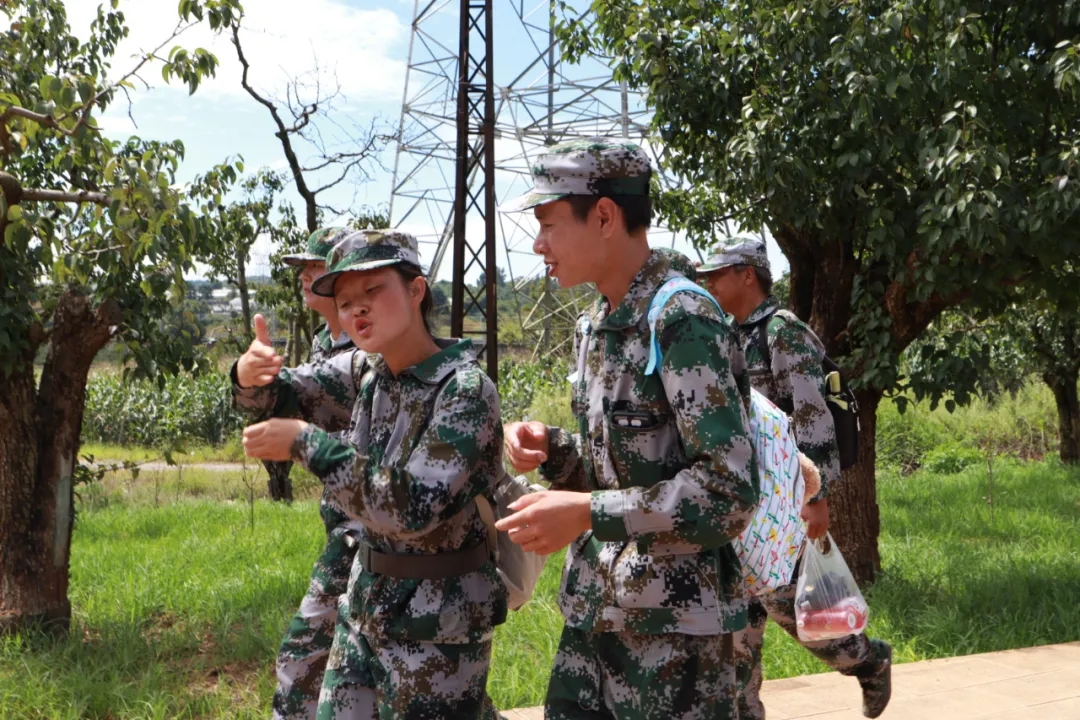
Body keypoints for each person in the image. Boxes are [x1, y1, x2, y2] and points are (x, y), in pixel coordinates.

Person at [497, 138, 759, 719]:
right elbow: (618, 467)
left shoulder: (682, 319)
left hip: (675, 640)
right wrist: (554, 449)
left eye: (548, 224)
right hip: (595, 618)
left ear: (605, 216)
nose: (538, 245)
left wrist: (588, 514)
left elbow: (728, 492)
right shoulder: (597, 322)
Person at [237, 229, 508, 720]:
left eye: (373, 290)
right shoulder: (369, 372)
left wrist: (308, 444)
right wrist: (248, 374)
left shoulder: (465, 391)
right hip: (364, 608)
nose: (357, 309)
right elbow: (285, 393)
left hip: (437, 625)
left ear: (416, 289)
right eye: (344, 302)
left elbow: (413, 506)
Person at [696, 235, 892, 719]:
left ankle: (868, 660)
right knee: (736, 635)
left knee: (804, 616)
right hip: (743, 508)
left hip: (784, 508)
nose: (709, 284)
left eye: (717, 274)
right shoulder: (728, 334)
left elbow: (813, 418)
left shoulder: (783, 332)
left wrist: (815, 497)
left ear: (747, 275)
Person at [234, 226, 358, 720]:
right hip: (349, 524)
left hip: (374, 529)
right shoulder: (328, 342)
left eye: (316, 266)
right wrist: (248, 376)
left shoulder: (371, 342)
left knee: (302, 663)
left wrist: (261, 382)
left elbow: (302, 392)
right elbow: (287, 399)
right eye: (302, 268)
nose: (306, 275)